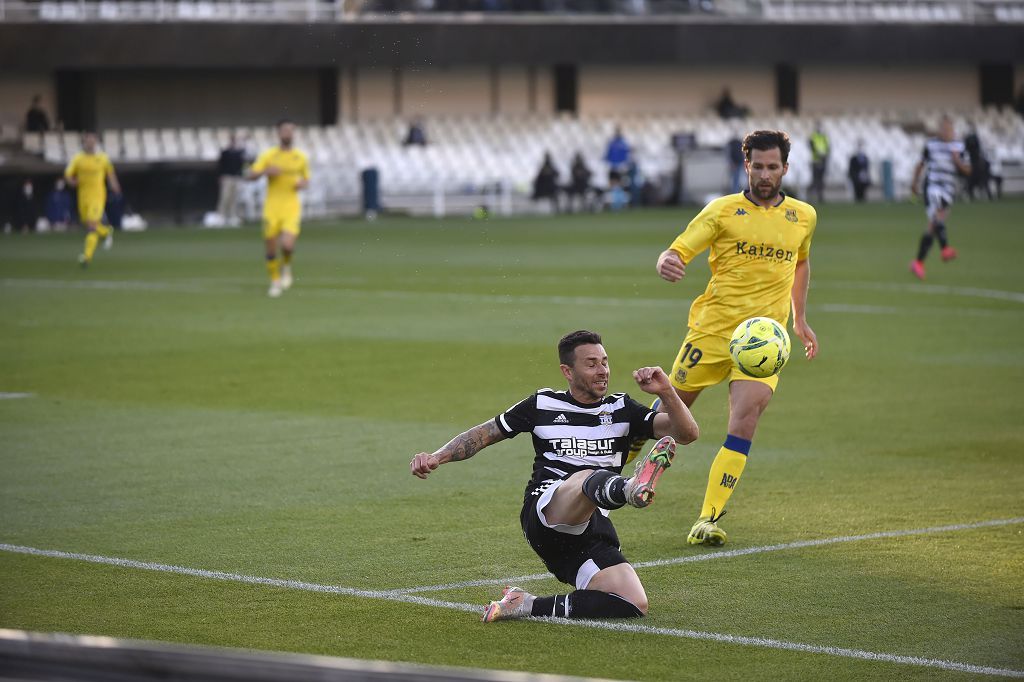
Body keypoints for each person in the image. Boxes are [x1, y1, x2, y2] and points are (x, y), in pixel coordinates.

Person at [410, 330, 699, 621]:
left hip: (591, 527)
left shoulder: (621, 409)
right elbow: (484, 434)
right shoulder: (542, 405)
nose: (603, 371)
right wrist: (437, 457)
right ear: (567, 371)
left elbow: (687, 434)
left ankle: (523, 604)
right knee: (585, 476)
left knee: (632, 603)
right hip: (546, 512)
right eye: (592, 364)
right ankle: (630, 488)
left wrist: (666, 391)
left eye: (605, 362)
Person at [627, 129, 819, 547]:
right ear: (745, 165)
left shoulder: (804, 216)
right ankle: (604, 480)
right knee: (663, 419)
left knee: (745, 421)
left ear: (785, 168)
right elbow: (676, 251)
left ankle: (708, 518)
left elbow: (801, 263)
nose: (765, 174)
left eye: (773, 167)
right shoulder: (722, 211)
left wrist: (799, 319)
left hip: (765, 342)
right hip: (712, 332)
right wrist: (667, 262)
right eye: (758, 166)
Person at [247, 119, 310, 298]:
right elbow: (250, 174)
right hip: (272, 207)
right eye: (284, 130)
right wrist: (265, 172)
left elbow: (306, 179)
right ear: (278, 133)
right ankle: (275, 281)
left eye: (290, 130)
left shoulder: (301, 157)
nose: (287, 134)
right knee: (271, 247)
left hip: (291, 206)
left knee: (288, 245)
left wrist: (302, 184)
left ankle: (287, 267)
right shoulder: (269, 156)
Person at [909, 116, 970, 281]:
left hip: (949, 189)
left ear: (953, 130)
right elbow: (920, 164)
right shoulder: (931, 145)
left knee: (933, 226)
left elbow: (968, 170)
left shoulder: (959, 146)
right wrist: (914, 183)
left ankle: (918, 262)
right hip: (933, 186)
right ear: (939, 130)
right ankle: (945, 248)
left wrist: (957, 160)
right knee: (937, 217)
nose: (946, 131)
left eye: (949, 129)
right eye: (943, 129)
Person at [65, 131, 121, 267]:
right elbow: (68, 174)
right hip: (83, 197)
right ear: (84, 141)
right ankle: (106, 231)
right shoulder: (78, 158)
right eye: (88, 139)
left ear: (96, 141)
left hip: (98, 196)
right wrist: (71, 181)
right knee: (91, 225)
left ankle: (86, 258)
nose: (90, 142)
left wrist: (115, 186)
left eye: (93, 139)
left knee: (91, 225)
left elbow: (110, 173)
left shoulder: (102, 158)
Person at [217, 134, 245, 226]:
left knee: (234, 198)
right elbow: (220, 165)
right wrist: (221, 176)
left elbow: (241, 165)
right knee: (225, 197)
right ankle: (221, 216)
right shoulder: (225, 152)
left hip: (236, 177)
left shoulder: (239, 153)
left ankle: (233, 217)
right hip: (227, 177)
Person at [808, 124, 829, 204]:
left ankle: (820, 196)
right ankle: (811, 195)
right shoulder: (813, 136)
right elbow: (811, 146)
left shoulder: (824, 137)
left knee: (821, 180)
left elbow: (828, 148)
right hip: (815, 161)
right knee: (815, 179)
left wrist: (824, 156)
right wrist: (819, 154)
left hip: (823, 160)